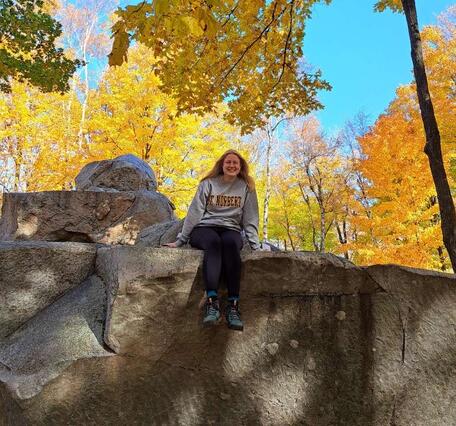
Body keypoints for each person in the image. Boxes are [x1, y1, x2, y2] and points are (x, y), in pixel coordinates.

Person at [165, 149, 260, 331]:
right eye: (228, 162)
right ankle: (212, 302)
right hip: (204, 228)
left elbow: (250, 217)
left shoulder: (246, 187)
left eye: (235, 163)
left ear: (240, 167)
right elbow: (194, 213)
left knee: (231, 244)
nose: (231, 165)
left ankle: (233, 306)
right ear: (222, 165)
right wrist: (180, 240)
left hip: (230, 229)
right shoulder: (208, 184)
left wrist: (255, 246)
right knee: (214, 244)